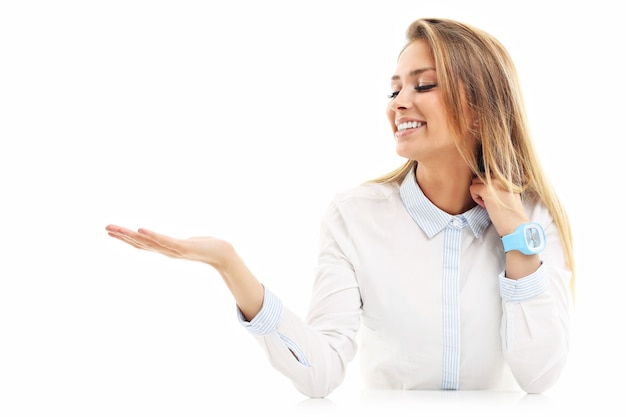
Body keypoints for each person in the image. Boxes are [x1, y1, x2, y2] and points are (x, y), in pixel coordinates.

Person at [105, 17, 575, 398]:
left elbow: (539, 377)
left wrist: (517, 239)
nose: (399, 103)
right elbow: (321, 374)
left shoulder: (533, 216)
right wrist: (229, 265)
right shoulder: (355, 215)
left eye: (423, 85)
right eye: (394, 90)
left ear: (478, 107)